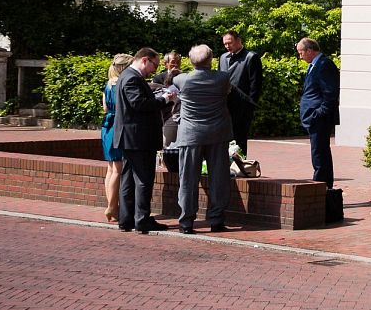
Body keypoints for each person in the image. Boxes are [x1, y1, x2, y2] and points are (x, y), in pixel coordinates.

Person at [172, 44, 234, 234]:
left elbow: (172, 81)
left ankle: (186, 223)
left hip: (190, 135)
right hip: (217, 133)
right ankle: (216, 220)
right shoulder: (223, 78)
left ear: (191, 61)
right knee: (219, 178)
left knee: (188, 179)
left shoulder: (182, 79)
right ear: (211, 60)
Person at [113, 47, 165, 234]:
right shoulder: (132, 78)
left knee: (128, 179)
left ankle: (126, 220)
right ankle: (141, 220)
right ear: (145, 60)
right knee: (143, 179)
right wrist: (165, 99)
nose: (154, 70)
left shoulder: (126, 76)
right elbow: (139, 104)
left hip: (130, 138)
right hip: (138, 138)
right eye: (154, 65)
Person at [296, 37, 340, 188]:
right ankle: (323, 185)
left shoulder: (324, 65)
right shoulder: (315, 66)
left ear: (309, 50)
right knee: (319, 152)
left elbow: (330, 93)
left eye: (301, 52)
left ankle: (321, 186)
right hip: (314, 117)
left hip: (319, 118)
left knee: (320, 154)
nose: (300, 56)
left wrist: (318, 114)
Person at [100, 54, 134, 222]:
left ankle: (111, 204)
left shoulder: (108, 85)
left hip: (106, 126)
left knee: (110, 168)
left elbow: (105, 108)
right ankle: (113, 207)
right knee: (118, 170)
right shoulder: (122, 84)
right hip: (117, 127)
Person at [219, 31, 263, 156]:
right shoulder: (223, 58)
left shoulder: (251, 57)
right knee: (224, 138)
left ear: (239, 40)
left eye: (230, 43)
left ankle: (240, 167)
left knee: (240, 139)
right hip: (224, 106)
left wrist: (250, 105)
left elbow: (256, 84)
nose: (227, 46)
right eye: (225, 44)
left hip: (242, 106)